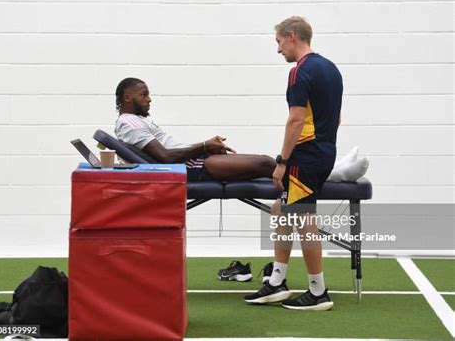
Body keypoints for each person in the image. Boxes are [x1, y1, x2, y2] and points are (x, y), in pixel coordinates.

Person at [244, 16, 343, 310]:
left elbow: (296, 119)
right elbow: (336, 118)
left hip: (304, 156)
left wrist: (282, 161)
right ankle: (276, 282)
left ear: (291, 36)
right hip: (324, 151)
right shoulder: (332, 69)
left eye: (278, 42)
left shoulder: (300, 72)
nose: (278, 50)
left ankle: (318, 292)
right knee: (282, 211)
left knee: (303, 221)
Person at [114, 77, 276, 182]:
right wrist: (205, 146)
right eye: (144, 95)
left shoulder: (135, 121)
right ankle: (297, 200)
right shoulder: (129, 123)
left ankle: (291, 202)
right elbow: (166, 156)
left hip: (191, 162)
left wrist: (207, 146)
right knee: (266, 164)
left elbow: (170, 151)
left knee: (268, 166)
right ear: (127, 97)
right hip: (188, 167)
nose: (149, 99)